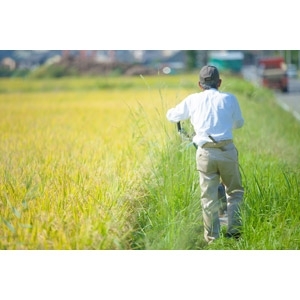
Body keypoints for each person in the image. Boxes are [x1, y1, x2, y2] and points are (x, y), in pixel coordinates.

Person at [166, 65, 244, 243]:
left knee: (208, 198)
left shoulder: (192, 100)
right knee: (234, 192)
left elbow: (172, 115)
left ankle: (212, 239)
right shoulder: (229, 98)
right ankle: (234, 232)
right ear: (220, 82)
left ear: (200, 84)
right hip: (226, 150)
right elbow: (239, 123)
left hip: (205, 153)